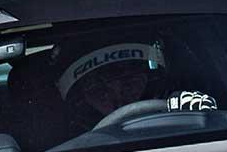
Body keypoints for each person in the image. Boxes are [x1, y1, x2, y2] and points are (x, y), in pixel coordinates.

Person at [55, 39, 217, 134]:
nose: (119, 100)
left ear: (150, 81)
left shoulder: (181, 109)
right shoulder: (67, 149)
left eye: (129, 85)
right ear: (83, 101)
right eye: (101, 92)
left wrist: (196, 116)